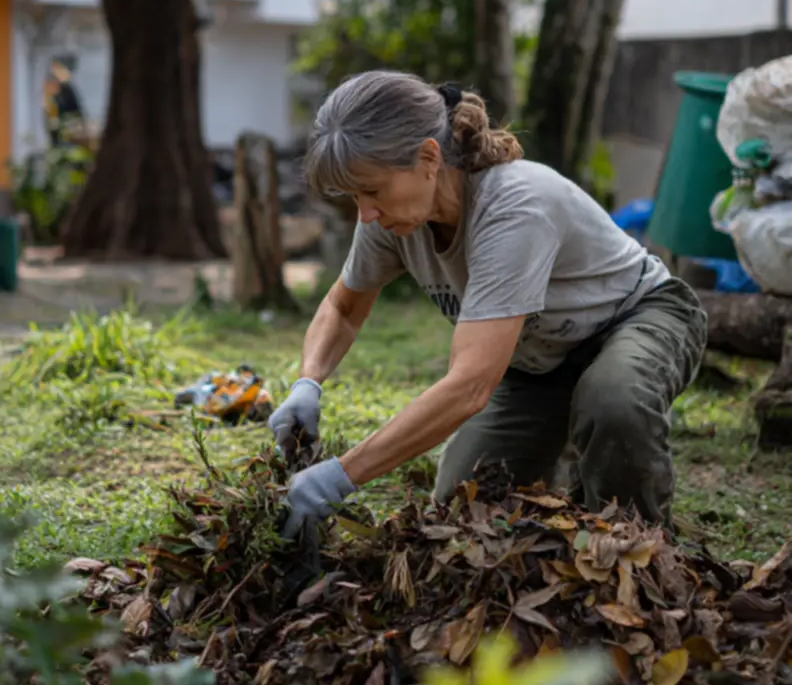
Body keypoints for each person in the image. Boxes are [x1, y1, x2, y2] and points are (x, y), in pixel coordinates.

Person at [269, 71, 707, 537]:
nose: (366, 213)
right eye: (355, 196)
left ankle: (641, 551)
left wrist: (340, 475)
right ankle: (565, 473)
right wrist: (307, 382)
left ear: (428, 157)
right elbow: (342, 307)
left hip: (637, 316)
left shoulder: (513, 206)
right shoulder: (388, 222)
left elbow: (470, 386)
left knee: (613, 401)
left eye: (373, 191)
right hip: (539, 359)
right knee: (465, 500)